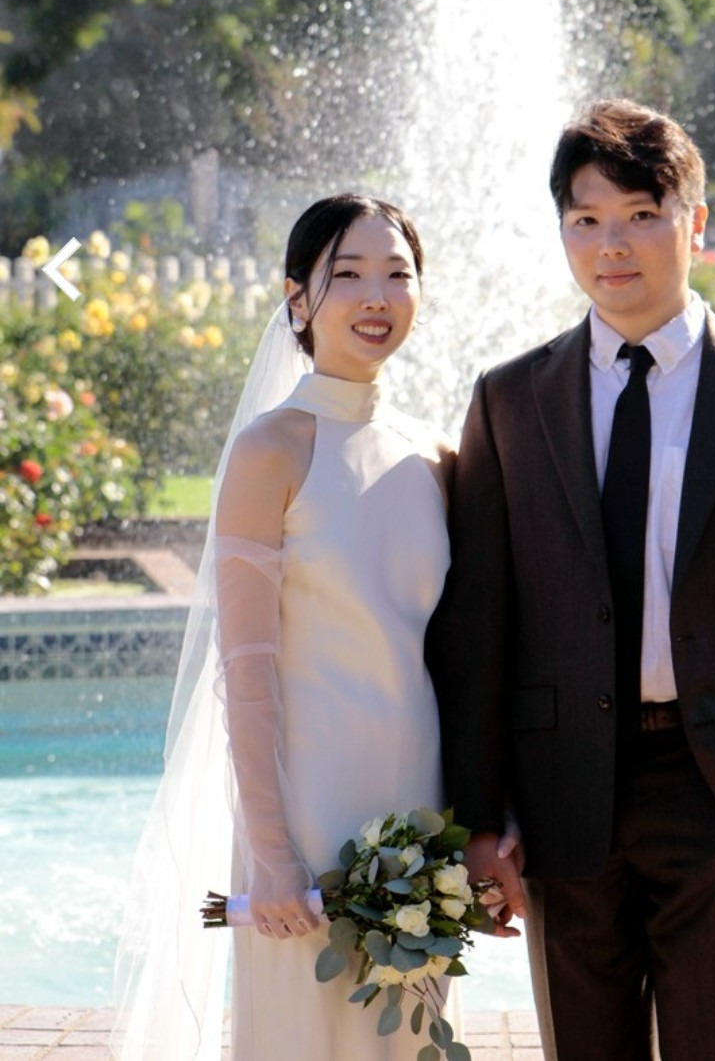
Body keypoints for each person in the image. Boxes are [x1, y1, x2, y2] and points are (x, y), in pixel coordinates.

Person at [428, 99, 715, 1061]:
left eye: (640, 214)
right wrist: (479, 817)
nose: (612, 245)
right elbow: (477, 631)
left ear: (695, 222)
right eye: (586, 219)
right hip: (563, 801)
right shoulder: (510, 401)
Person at [114, 194, 462, 1061]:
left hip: (418, 810)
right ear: (298, 299)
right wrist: (270, 851)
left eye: (398, 274)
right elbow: (247, 665)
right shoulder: (271, 450)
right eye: (348, 274)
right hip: (306, 811)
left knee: (407, 1043)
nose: (376, 296)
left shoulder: (438, 459)